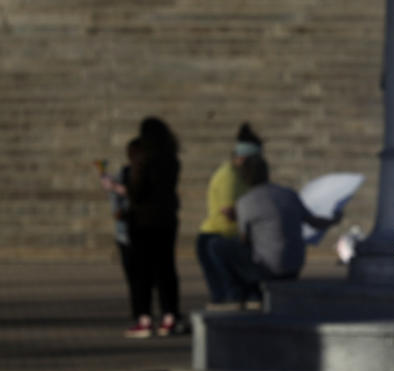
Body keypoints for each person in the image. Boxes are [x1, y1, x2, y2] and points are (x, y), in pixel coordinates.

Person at [205, 154, 341, 306]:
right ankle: (251, 293)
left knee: (215, 245)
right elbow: (314, 221)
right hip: (294, 266)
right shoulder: (288, 194)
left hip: (269, 270)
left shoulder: (245, 202)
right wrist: (335, 219)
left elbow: (245, 241)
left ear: (244, 177)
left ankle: (237, 296)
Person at [125, 116, 183, 337]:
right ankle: (169, 316)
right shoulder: (171, 158)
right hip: (166, 220)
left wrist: (125, 189)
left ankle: (144, 319)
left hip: (142, 221)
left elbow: (137, 191)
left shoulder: (143, 158)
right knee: (166, 269)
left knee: (142, 272)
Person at [196, 123, 259, 307]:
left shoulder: (244, 176)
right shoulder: (229, 175)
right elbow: (228, 211)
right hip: (215, 239)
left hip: (232, 239)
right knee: (226, 296)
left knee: (242, 294)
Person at [97, 138, 142, 322]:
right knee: (133, 274)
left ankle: (143, 312)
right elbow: (117, 201)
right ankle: (139, 311)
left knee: (142, 275)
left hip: (142, 228)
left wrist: (115, 188)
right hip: (126, 230)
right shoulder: (125, 172)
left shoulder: (148, 174)